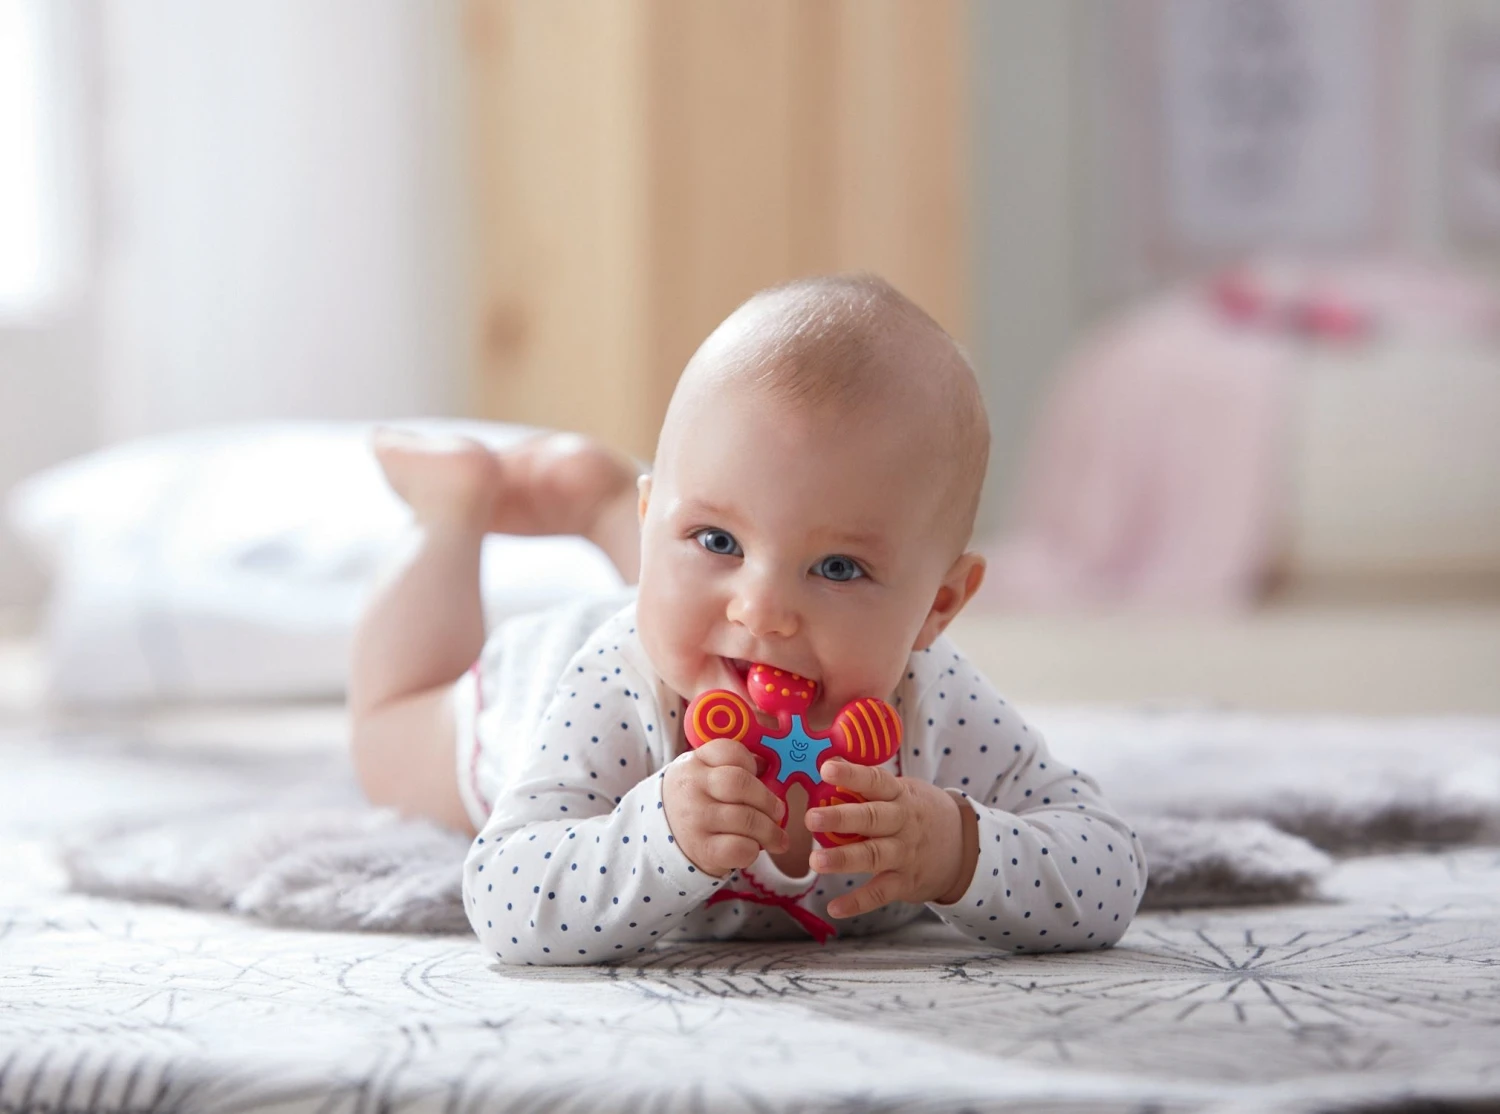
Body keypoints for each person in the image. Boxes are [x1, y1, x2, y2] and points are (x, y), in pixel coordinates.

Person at [349, 274, 1148, 965]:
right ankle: (451, 507)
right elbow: (504, 897)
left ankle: (613, 505)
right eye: (716, 537)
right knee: (391, 733)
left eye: (838, 568)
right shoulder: (613, 689)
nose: (765, 608)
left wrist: (960, 849)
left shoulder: (934, 705)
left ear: (937, 607)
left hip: (696, 630)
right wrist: (659, 837)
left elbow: (1109, 865)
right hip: (537, 681)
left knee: (721, 605)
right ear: (656, 519)